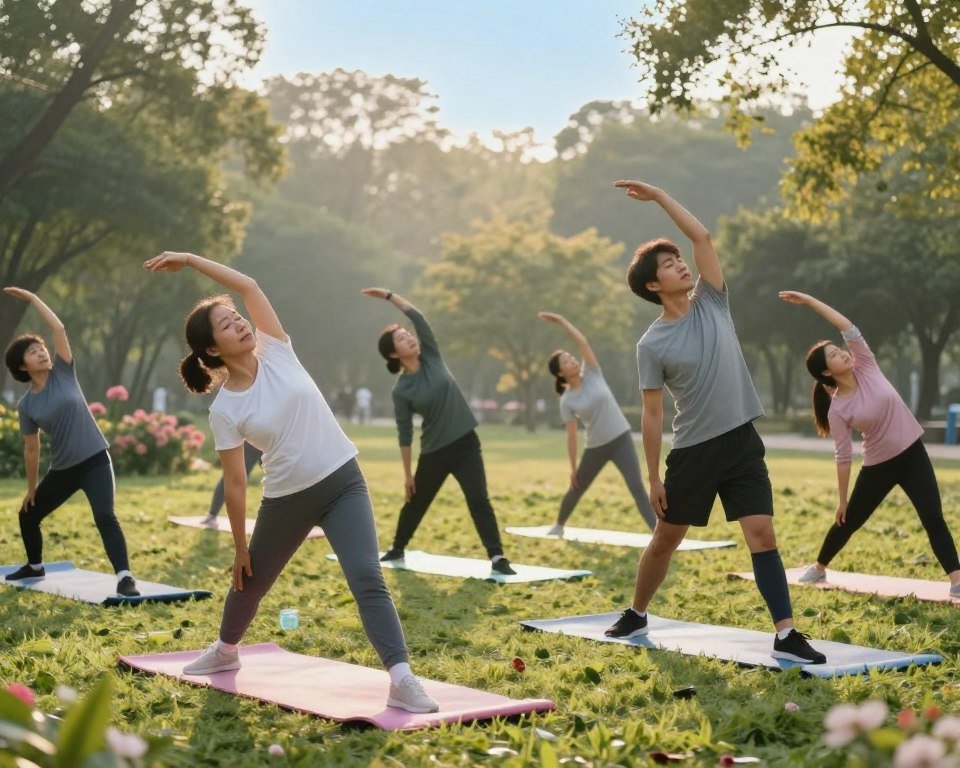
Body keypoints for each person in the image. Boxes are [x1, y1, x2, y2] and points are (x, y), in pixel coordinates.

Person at [143, 252, 437, 713]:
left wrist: (191, 260)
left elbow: (249, 286)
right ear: (213, 350)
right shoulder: (225, 409)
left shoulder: (276, 348)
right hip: (286, 499)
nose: (240, 324)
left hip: (343, 481)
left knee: (367, 576)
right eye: (226, 325)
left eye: (237, 317)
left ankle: (402, 679)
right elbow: (235, 483)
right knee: (249, 583)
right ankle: (225, 650)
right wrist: (239, 547)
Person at [602, 181, 825, 665]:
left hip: (742, 440)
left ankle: (786, 633)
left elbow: (701, 237)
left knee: (762, 534)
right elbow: (653, 413)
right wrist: (653, 476)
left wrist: (661, 197)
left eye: (677, 259)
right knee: (666, 540)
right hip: (694, 451)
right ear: (653, 286)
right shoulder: (651, 344)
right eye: (668, 264)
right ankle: (637, 612)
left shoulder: (713, 301)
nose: (681, 264)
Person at [781, 290, 960, 597]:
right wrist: (842, 500)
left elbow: (846, 327)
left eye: (839, 350)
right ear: (827, 372)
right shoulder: (838, 409)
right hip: (879, 466)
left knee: (933, 517)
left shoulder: (865, 364)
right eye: (834, 356)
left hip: (913, 454)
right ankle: (820, 566)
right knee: (849, 520)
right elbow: (843, 456)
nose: (842, 353)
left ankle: (957, 581)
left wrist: (810, 301)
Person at [363, 288, 515, 575]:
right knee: (417, 501)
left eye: (407, 335)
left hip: (466, 444)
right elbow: (404, 433)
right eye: (401, 339)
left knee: (479, 499)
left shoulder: (431, 355)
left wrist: (389, 296)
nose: (409, 337)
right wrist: (407, 475)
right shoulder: (402, 390)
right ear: (394, 354)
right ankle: (397, 547)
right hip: (435, 451)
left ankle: (497, 557)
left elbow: (418, 318)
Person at [3, 288, 139, 597]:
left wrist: (33, 299)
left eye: (41, 347)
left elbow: (58, 328)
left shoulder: (64, 372)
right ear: (22, 367)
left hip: (95, 460)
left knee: (104, 516)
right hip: (64, 470)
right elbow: (31, 448)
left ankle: (125, 578)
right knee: (28, 514)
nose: (42, 352)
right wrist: (31, 488)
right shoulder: (27, 405)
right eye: (33, 351)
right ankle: (35, 566)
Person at [539, 311, 656, 535]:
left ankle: (658, 534)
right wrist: (573, 468)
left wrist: (563, 321)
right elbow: (572, 436)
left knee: (637, 487)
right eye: (566, 361)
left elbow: (582, 342)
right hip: (596, 447)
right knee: (577, 486)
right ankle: (558, 526)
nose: (573, 360)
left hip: (621, 439)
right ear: (560, 373)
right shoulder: (567, 400)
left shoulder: (592, 372)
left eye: (571, 357)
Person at [202, 441, 264, 526]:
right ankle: (212, 516)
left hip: (272, 439)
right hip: (253, 439)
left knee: (275, 473)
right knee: (234, 474)